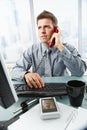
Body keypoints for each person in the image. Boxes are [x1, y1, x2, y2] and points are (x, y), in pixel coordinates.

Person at [11, 10, 86, 88]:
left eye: (46, 27)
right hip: (39, 90)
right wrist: (25, 74)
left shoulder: (67, 48)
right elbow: (15, 71)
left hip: (61, 90)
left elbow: (79, 72)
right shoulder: (32, 50)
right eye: (39, 27)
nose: (42, 31)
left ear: (55, 30)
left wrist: (60, 46)